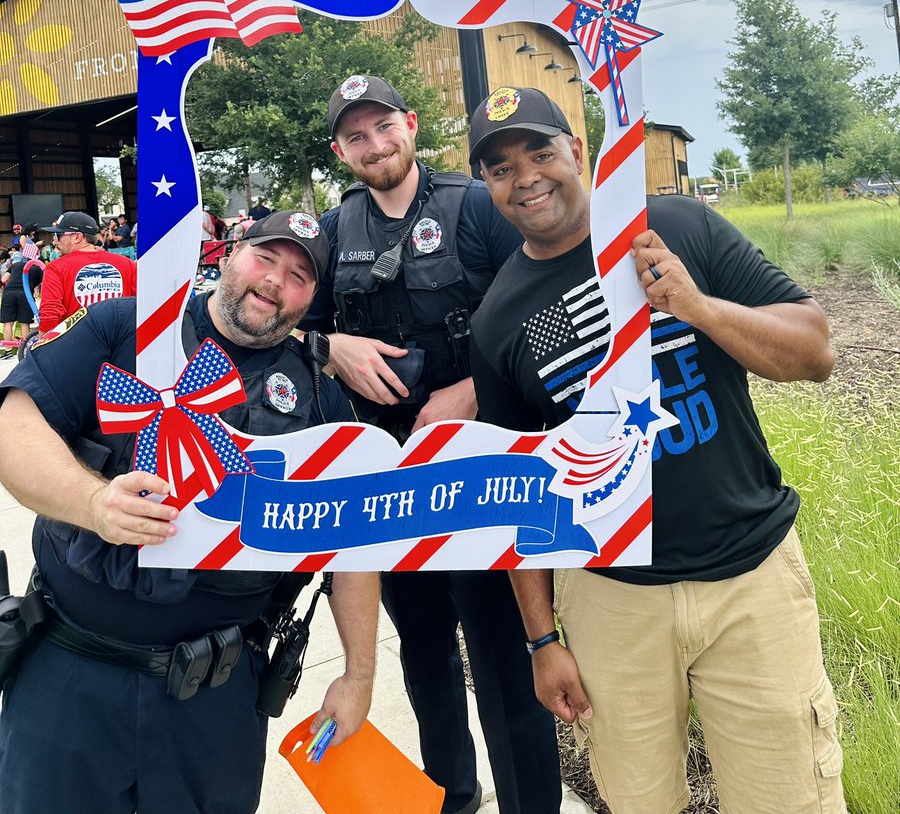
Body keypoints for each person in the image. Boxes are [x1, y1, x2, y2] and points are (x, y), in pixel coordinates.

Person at [467, 86, 845, 814]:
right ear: (486, 183)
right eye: (500, 168)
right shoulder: (497, 322)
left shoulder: (675, 226)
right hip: (613, 602)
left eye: (540, 152)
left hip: (751, 579)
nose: (526, 178)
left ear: (577, 150)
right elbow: (524, 499)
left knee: (791, 798)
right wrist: (543, 641)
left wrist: (697, 307)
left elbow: (816, 354)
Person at [0, 210, 379, 814]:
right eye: (267, 257)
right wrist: (94, 502)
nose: (278, 281)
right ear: (228, 254)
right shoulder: (124, 327)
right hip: (69, 677)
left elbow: (354, 546)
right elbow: (12, 423)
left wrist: (359, 675)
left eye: (301, 274)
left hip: (215, 700)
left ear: (311, 300)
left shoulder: (320, 399)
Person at [301, 75, 561, 814]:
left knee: (505, 660)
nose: (375, 144)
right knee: (424, 654)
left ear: (410, 124)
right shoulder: (331, 232)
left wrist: (476, 386)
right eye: (356, 136)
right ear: (340, 150)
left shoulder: (475, 205)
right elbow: (292, 331)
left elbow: (544, 297)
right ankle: (453, 795)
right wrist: (331, 349)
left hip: (480, 478)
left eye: (384, 126)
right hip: (385, 484)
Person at [37, 212, 137, 333]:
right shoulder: (126, 264)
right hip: (123, 342)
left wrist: (44, 346)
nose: (55, 242)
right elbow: (140, 303)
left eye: (58, 235)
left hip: (78, 345)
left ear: (77, 237)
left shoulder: (56, 268)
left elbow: (50, 312)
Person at [0, 252, 42, 356]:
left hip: (9, 293)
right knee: (25, 322)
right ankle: (25, 350)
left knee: (8, 322)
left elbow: (3, 279)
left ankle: (8, 349)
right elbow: (44, 284)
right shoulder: (38, 268)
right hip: (25, 294)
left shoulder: (15, 265)